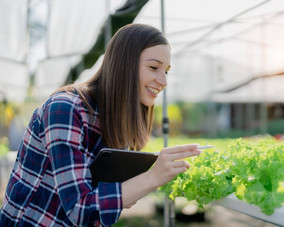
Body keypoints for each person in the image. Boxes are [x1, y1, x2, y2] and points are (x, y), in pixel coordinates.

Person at [0, 23, 201, 226]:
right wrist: (152, 177)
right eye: (153, 67)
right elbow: (79, 209)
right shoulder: (66, 109)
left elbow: (100, 208)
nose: (163, 80)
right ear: (124, 64)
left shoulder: (118, 121)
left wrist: (129, 189)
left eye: (166, 71)